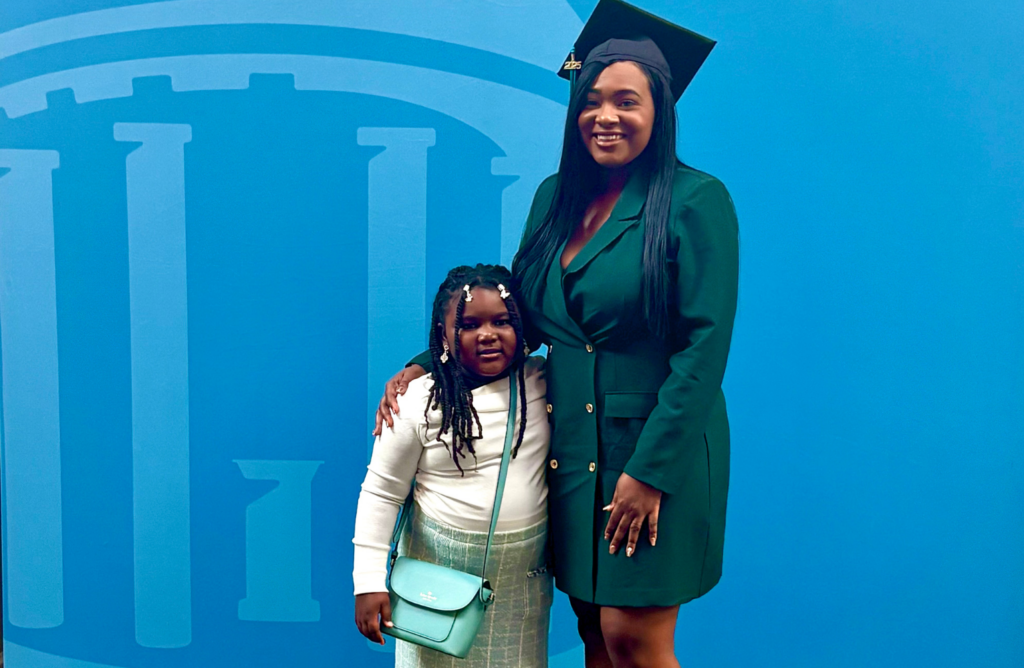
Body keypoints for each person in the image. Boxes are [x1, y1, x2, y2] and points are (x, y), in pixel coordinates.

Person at [376, 1, 739, 666]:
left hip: (653, 452)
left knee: (635, 638)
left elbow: (704, 348)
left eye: (627, 101)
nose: (606, 116)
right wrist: (428, 362)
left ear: (659, 111)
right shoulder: (555, 199)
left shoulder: (695, 201)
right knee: (594, 633)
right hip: (572, 451)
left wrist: (650, 473)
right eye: (592, 100)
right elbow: (522, 317)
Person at [354, 264, 553, 668]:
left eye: (502, 321)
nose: (487, 334)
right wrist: (368, 581)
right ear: (442, 337)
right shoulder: (416, 402)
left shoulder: (541, 381)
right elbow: (382, 491)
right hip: (434, 582)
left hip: (520, 584)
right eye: (468, 325)